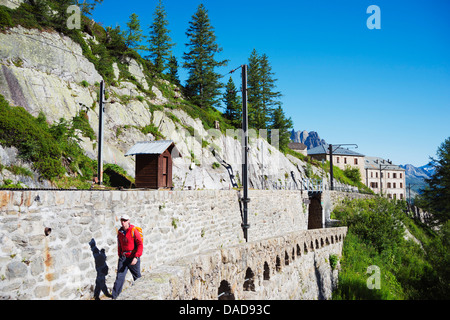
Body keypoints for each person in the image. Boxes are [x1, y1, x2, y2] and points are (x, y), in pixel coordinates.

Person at [111, 214, 143, 299]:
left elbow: (140, 244)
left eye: (125, 220)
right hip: (123, 258)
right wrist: (120, 256)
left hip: (133, 257)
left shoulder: (133, 230)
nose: (123, 222)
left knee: (137, 278)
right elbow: (119, 245)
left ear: (129, 221)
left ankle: (142, 295)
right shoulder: (120, 232)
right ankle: (114, 297)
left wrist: (136, 257)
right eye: (122, 220)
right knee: (119, 278)